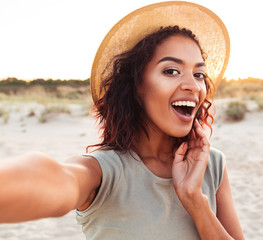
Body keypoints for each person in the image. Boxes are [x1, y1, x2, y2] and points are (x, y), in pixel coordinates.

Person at [0, 1, 245, 239]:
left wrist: (195, 200)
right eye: (171, 71)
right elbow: (55, 179)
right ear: (137, 84)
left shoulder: (212, 165)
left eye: (199, 74)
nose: (193, 85)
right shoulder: (102, 172)